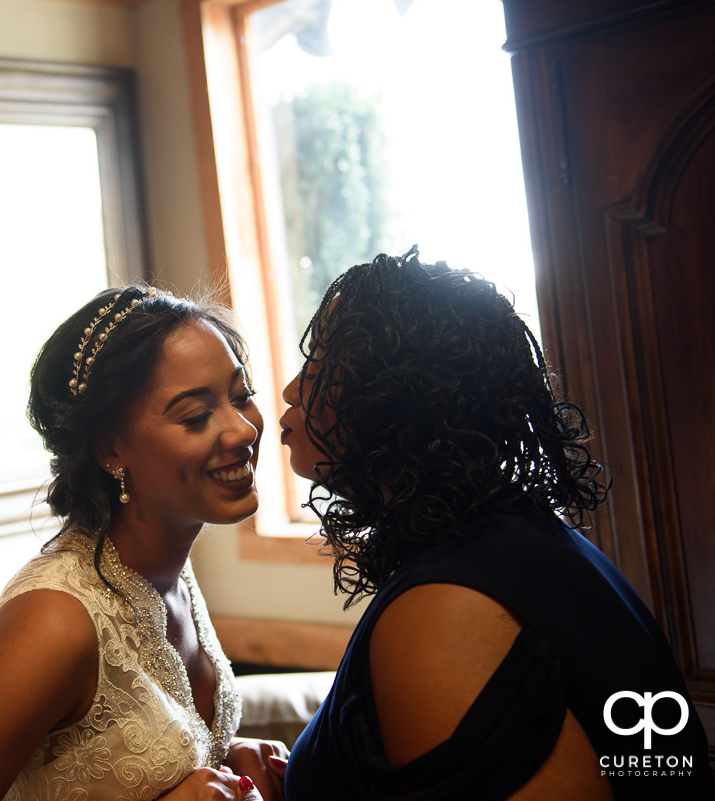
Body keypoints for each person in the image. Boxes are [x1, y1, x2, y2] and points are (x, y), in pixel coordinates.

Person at [274, 249, 713, 799]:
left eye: (317, 361)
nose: (291, 390)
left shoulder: (446, 609)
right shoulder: (517, 539)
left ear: (392, 396)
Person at [0, 285, 289, 801]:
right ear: (111, 447)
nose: (241, 430)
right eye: (195, 416)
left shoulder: (163, 571)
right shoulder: (55, 617)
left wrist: (226, 758)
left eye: (241, 395)